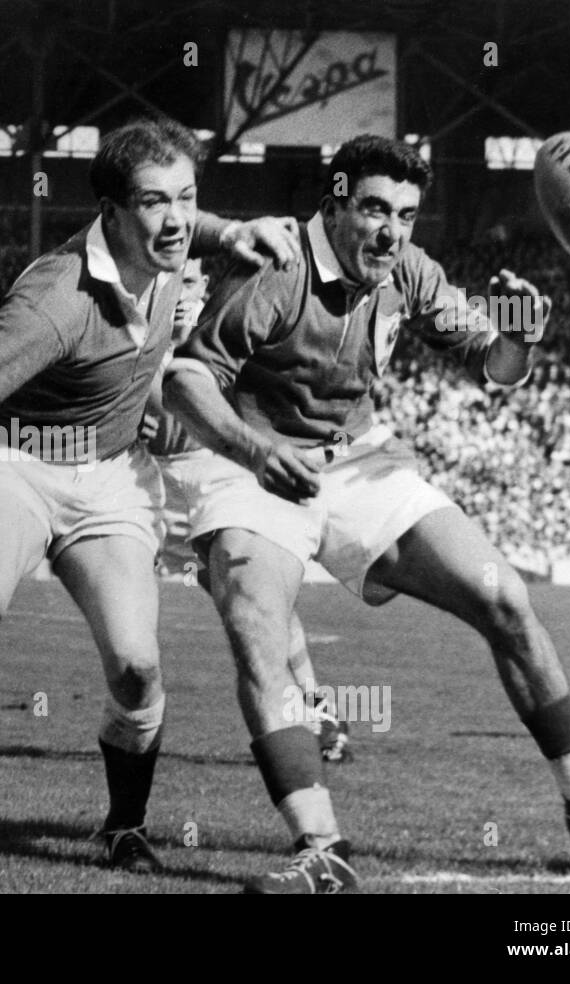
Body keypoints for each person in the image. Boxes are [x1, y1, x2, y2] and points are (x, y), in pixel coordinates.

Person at [164, 133, 570, 891]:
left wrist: (518, 341)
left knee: (503, 594)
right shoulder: (277, 267)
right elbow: (185, 382)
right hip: (254, 461)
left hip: (360, 458)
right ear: (335, 199)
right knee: (257, 623)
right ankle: (321, 847)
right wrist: (253, 451)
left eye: (405, 214)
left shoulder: (407, 267)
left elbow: (494, 367)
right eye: (375, 209)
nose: (391, 230)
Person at [0, 116, 300, 876]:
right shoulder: (56, 302)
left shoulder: (175, 237)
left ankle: (124, 826)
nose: (177, 218)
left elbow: (190, 224)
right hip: (15, 459)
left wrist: (232, 232)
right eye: (155, 202)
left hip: (112, 473)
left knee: (136, 667)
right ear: (113, 212)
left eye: (187, 198)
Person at [143, 258, 349, 763]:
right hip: (156, 487)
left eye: (190, 281)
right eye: (170, 283)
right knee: (134, 612)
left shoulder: (228, 332)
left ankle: (314, 710)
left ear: (206, 286)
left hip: (219, 475)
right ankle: (135, 724)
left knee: (259, 599)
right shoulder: (137, 338)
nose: (181, 292)